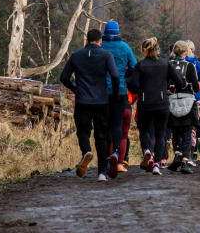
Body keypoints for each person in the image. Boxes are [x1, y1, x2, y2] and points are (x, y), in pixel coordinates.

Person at [59, 28, 119, 182]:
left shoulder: (76, 55)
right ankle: (101, 172)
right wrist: (115, 95)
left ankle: (86, 152)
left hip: (82, 100)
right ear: (100, 41)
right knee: (102, 135)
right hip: (101, 101)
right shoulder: (106, 55)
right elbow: (115, 75)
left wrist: (76, 89)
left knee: (83, 132)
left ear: (86, 40)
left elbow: (64, 77)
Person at [126, 37, 185, 175]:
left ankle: (147, 151)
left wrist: (140, 91)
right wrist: (171, 89)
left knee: (144, 131)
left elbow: (133, 85)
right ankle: (157, 164)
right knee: (160, 135)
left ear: (145, 50)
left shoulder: (140, 65)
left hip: (145, 104)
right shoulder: (165, 64)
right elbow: (179, 81)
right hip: (162, 103)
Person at [100, 20, 136, 178]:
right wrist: (125, 77)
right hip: (120, 91)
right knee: (116, 125)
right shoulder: (125, 47)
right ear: (118, 32)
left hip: (101, 92)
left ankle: (107, 160)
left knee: (104, 127)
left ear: (105, 32)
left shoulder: (100, 46)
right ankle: (115, 154)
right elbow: (134, 67)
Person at [168, 40, 200, 174]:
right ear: (186, 52)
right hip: (187, 101)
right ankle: (185, 160)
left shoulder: (168, 65)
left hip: (172, 101)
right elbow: (197, 87)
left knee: (175, 131)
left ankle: (176, 155)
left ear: (174, 51)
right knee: (187, 132)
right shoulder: (190, 66)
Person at [184, 40, 200, 163]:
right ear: (192, 51)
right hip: (196, 98)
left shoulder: (176, 63)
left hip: (179, 97)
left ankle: (179, 154)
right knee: (193, 128)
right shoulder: (197, 65)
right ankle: (190, 156)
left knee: (180, 126)